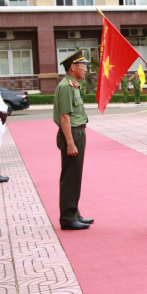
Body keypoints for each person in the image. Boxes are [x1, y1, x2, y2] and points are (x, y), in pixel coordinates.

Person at [53, 50, 93, 231]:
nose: (85, 69)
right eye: (83, 65)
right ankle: (68, 218)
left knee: (75, 176)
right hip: (72, 134)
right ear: (72, 67)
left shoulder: (73, 85)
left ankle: (74, 212)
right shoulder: (66, 87)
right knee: (70, 177)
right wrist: (70, 142)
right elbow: (64, 117)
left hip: (78, 132)